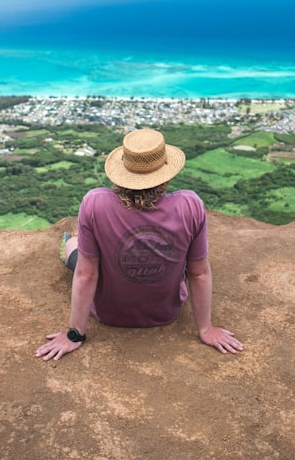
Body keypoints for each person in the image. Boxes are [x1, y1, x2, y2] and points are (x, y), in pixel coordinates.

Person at [36, 128, 243, 361]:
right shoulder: (190, 205)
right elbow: (199, 274)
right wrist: (205, 329)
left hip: (108, 312)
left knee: (74, 243)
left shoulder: (94, 203)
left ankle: (69, 243)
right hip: (166, 312)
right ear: (166, 173)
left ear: (122, 172)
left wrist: (75, 335)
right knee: (189, 257)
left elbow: (86, 275)